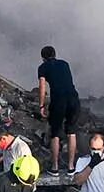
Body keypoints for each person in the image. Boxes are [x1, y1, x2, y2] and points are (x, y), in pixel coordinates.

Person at [35, 45, 83, 175]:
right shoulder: (64, 64)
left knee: (55, 133)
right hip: (73, 99)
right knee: (71, 132)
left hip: (58, 101)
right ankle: (71, 167)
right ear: (55, 54)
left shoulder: (43, 67)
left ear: (43, 58)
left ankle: (55, 167)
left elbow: (42, 87)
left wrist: (41, 105)